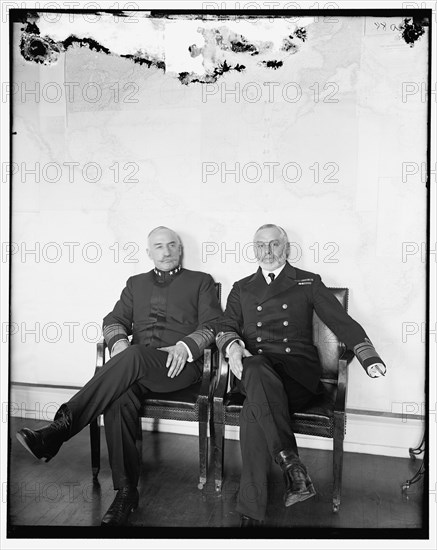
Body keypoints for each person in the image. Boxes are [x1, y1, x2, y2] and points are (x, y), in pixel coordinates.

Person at [16, 226, 223, 526]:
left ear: (180, 249)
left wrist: (185, 345)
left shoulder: (201, 282)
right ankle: (126, 492)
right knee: (119, 396)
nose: (166, 252)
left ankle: (60, 429)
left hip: (178, 368)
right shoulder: (135, 283)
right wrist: (120, 343)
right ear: (148, 252)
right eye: (159, 246)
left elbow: (214, 325)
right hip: (134, 368)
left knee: (135, 356)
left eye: (172, 245)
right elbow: (113, 320)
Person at [215, 224, 387, 527]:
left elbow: (340, 320)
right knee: (254, 371)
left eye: (274, 245)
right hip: (257, 371)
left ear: (287, 248)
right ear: (253, 249)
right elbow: (226, 326)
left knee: (254, 408)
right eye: (260, 246)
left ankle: (252, 512)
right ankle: (293, 469)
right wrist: (232, 347)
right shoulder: (241, 287)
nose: (267, 252)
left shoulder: (308, 282)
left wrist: (366, 354)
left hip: (296, 376)